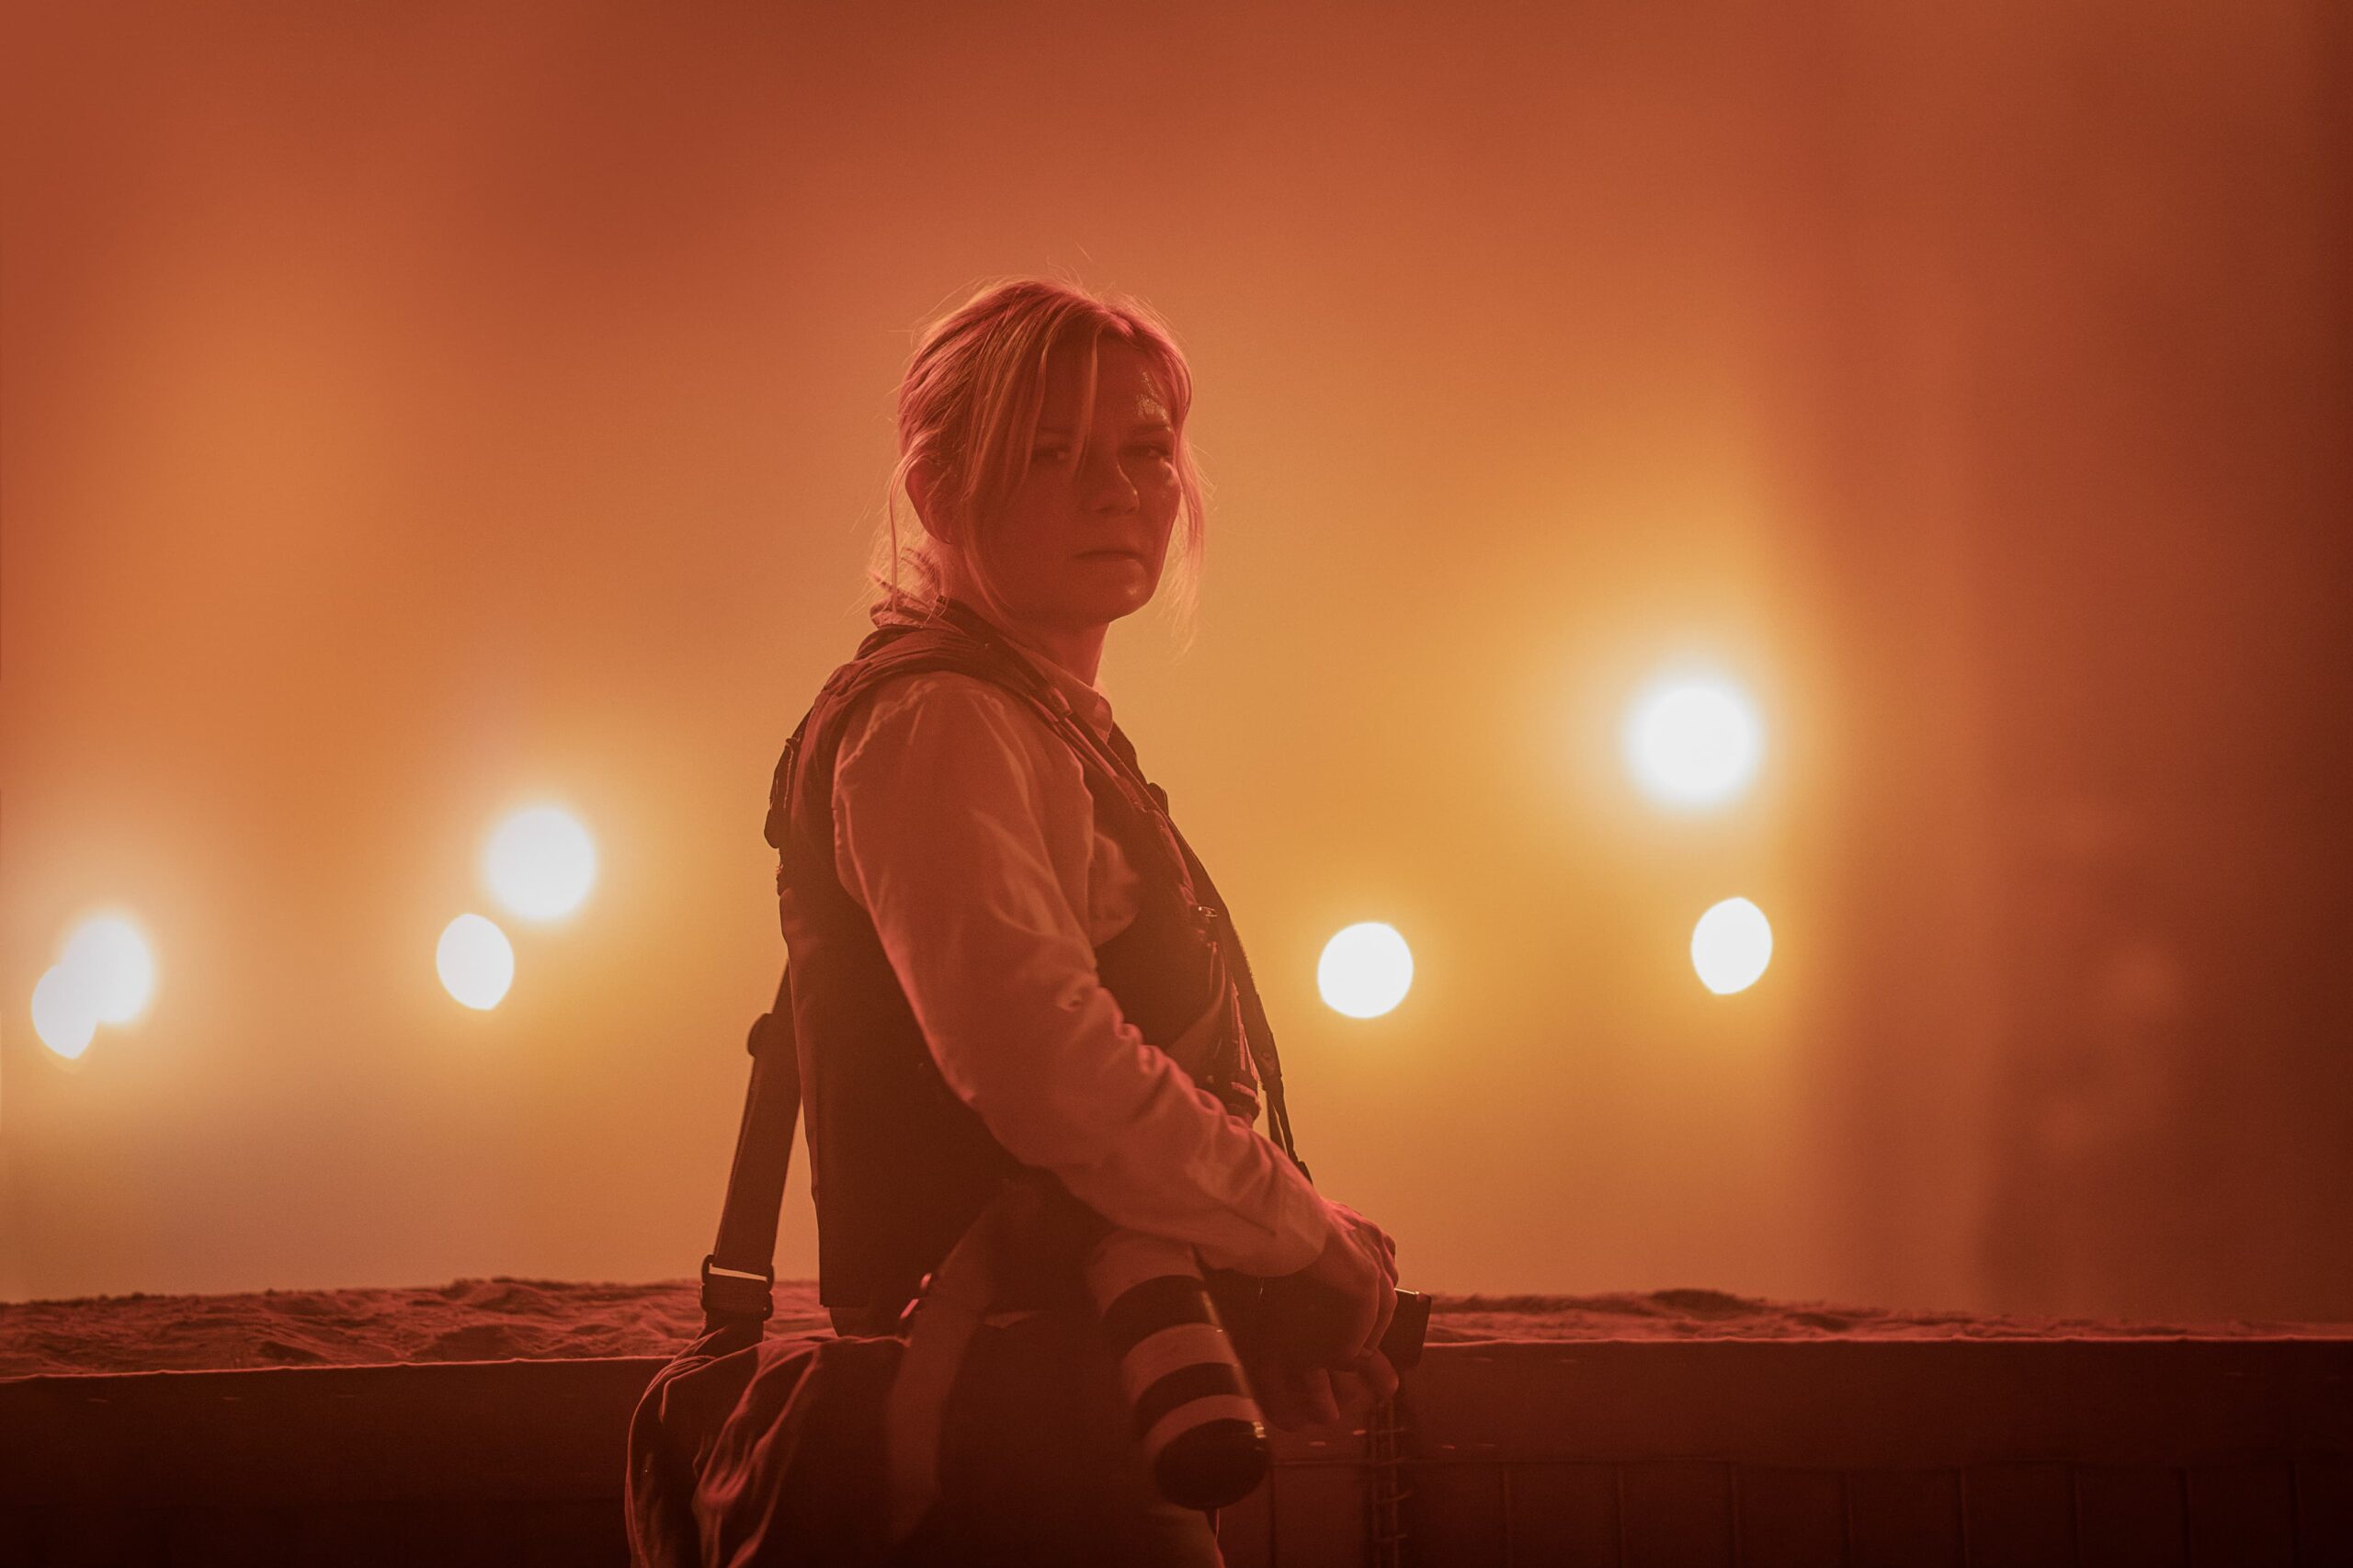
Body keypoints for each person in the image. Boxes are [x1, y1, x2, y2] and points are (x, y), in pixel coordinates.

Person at [768, 277, 1399, 1564]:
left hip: (1073, 1406)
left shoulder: (1023, 719)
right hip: (1002, 1438)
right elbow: (1044, 1068)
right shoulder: (939, 721)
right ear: (939, 493)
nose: (1116, 490)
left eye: (1145, 451)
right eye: (1051, 452)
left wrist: (1243, 1282)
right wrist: (1299, 1237)